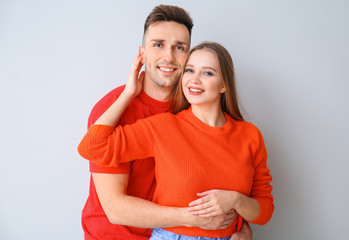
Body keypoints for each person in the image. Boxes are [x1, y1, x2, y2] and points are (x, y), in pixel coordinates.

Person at [81, 4, 253, 240]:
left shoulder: (196, 106)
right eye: (158, 45)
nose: (169, 57)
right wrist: (196, 219)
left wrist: (239, 229)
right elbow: (115, 209)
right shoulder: (113, 109)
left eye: (179, 47)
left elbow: (228, 174)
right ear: (142, 53)